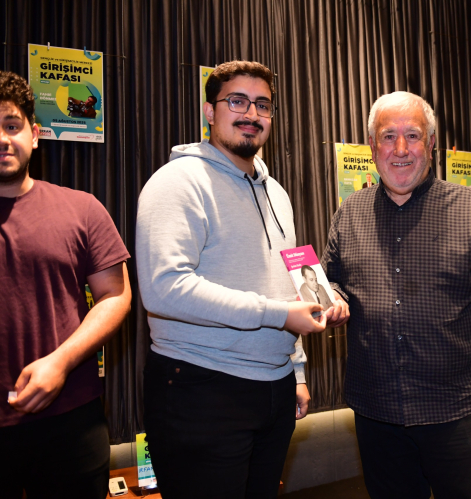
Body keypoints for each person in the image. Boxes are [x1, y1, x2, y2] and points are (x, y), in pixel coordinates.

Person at [136, 61, 349, 498]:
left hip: (274, 389)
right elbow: (164, 289)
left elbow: (285, 283)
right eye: (237, 101)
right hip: (201, 387)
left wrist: (296, 370)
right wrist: (280, 315)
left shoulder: (277, 194)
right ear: (209, 111)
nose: (251, 114)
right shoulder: (176, 183)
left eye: (263, 105)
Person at [321, 91, 471, 499]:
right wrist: (333, 296)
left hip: (456, 413)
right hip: (377, 413)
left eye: (413, 135)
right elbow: (333, 281)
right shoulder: (349, 213)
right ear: (372, 146)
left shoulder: (470, 208)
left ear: (431, 144)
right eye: (388, 136)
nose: (400, 149)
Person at [0, 71, 132, 499]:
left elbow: (116, 295)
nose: (2, 139)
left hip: (72, 420)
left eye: (12, 125)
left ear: (35, 135)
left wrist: (60, 362)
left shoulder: (82, 209)